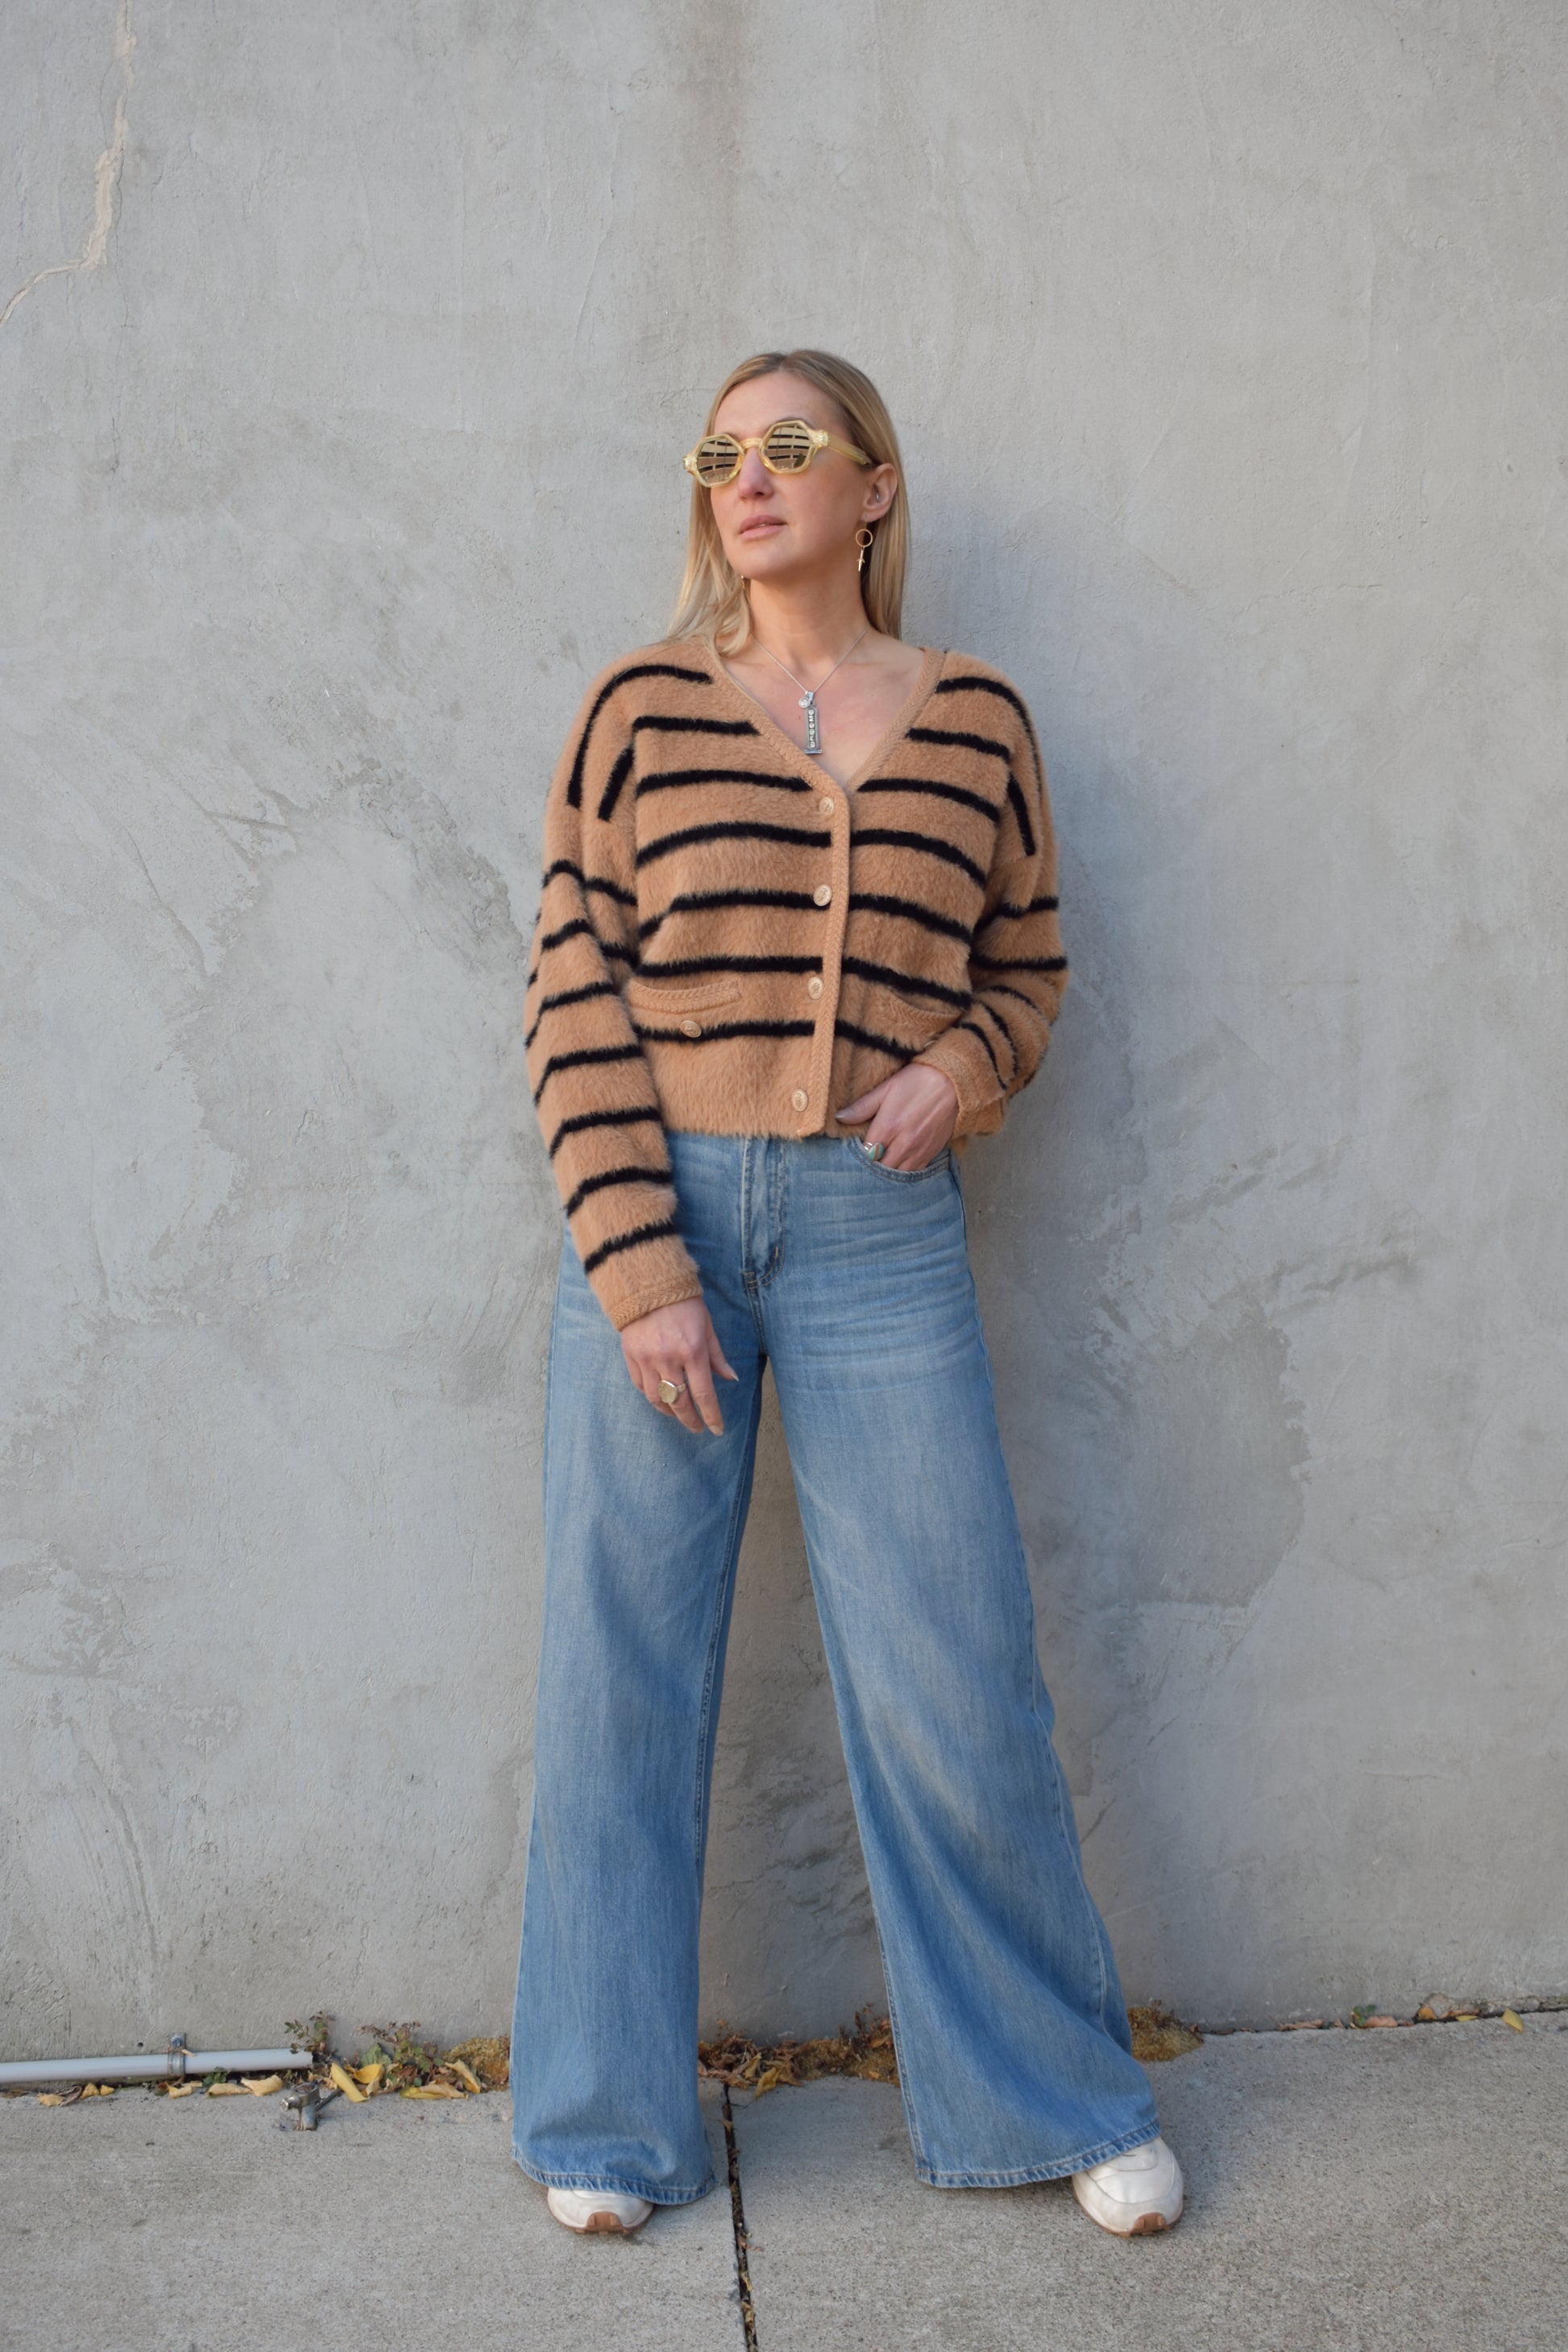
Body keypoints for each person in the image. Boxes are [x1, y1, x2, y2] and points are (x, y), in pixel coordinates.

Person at [509, 348, 1184, 2241]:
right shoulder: (636, 709)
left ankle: (1043, 2094)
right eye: (722, 451)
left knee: (955, 1675)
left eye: (790, 444)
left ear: (874, 487)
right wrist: (640, 1263)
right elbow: (572, 992)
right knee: (620, 1680)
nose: (749, 476)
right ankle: (599, 2118)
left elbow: (1029, 965)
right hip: (660, 1210)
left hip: (881, 1228)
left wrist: (960, 1072)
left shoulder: (974, 718)